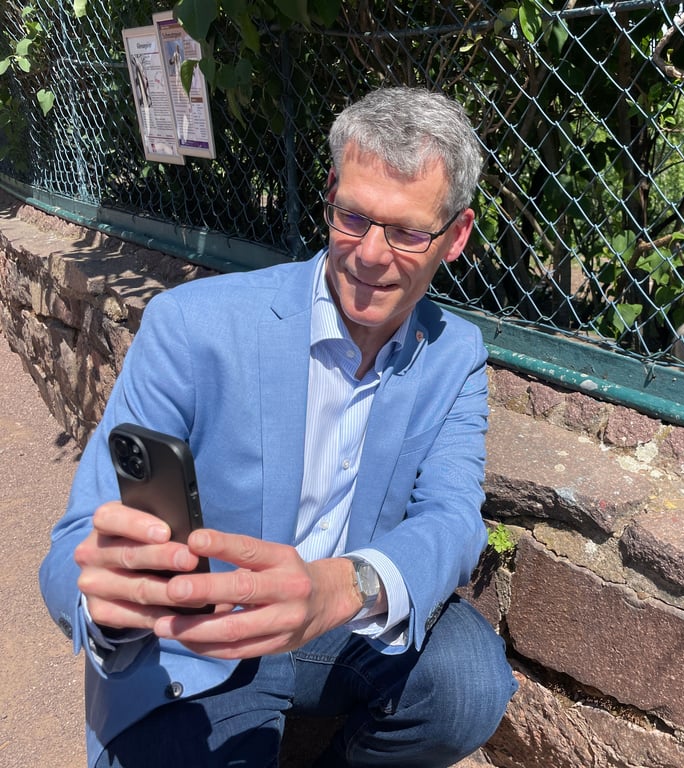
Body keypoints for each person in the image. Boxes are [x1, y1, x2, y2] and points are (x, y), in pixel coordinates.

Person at [39, 86, 517, 768]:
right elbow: (74, 547)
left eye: (408, 233)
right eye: (353, 216)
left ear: (457, 235)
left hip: (339, 623)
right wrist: (111, 602)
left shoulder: (454, 355)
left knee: (469, 682)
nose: (372, 255)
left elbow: (452, 519)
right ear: (330, 193)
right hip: (203, 636)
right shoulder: (192, 327)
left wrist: (343, 586)